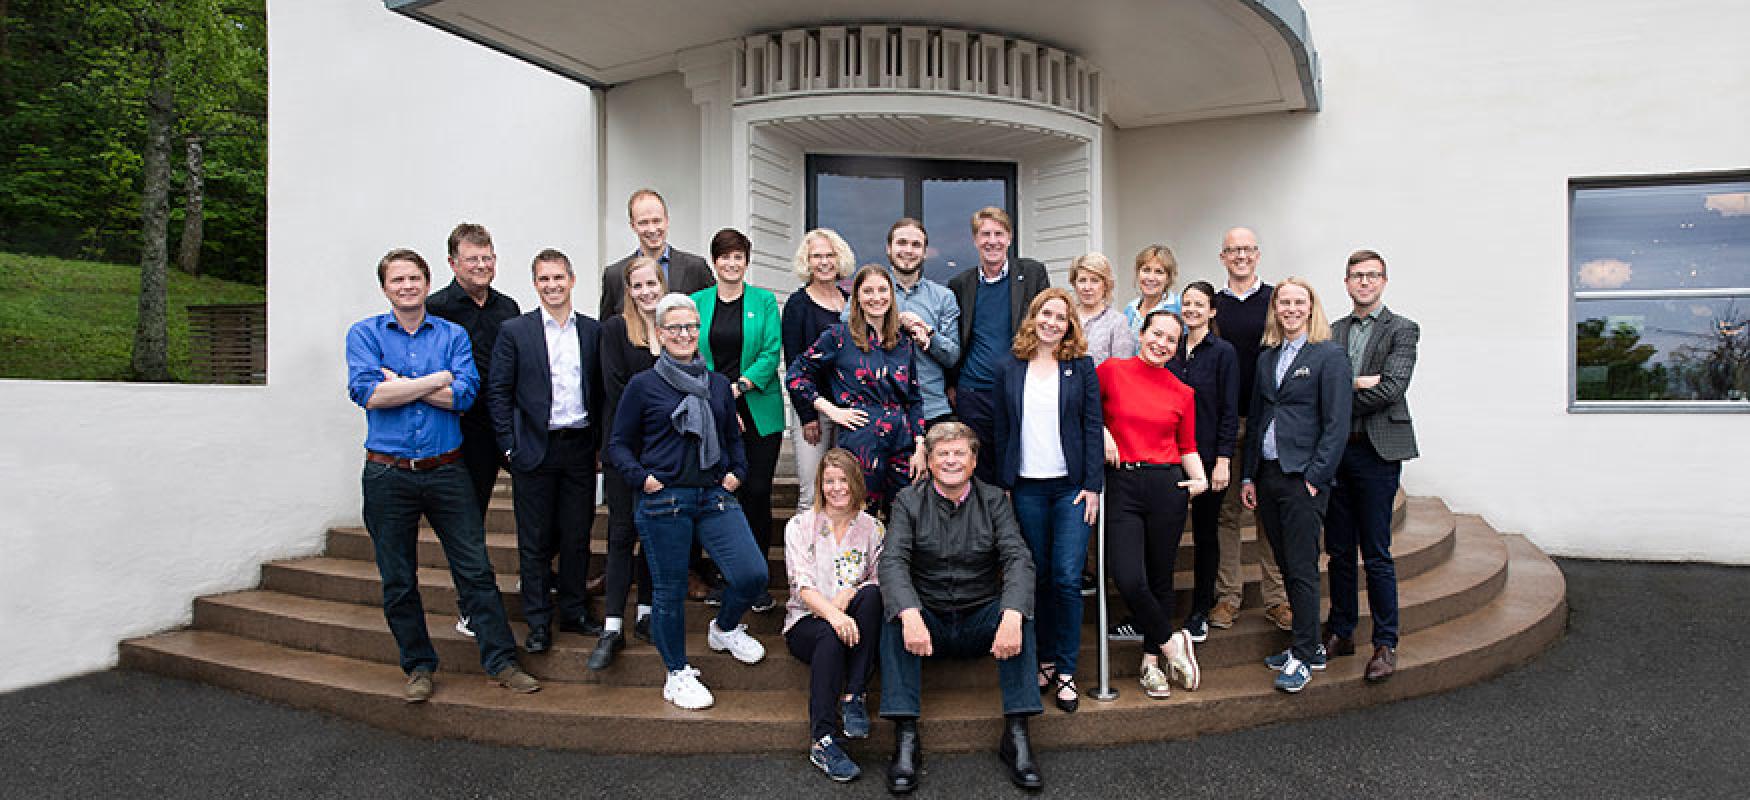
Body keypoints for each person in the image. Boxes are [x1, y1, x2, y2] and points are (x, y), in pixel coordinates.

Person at [345, 248, 538, 702]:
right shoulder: (365, 334)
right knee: (398, 578)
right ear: (385, 289)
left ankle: (501, 661)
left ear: (428, 284)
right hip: (387, 474)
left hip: (447, 469)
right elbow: (368, 393)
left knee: (474, 570)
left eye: (414, 278)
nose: (407, 286)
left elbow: (465, 395)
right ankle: (418, 666)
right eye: (398, 281)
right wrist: (436, 380)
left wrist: (402, 385)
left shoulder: (451, 334)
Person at [605, 293, 768, 710]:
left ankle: (725, 627)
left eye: (691, 327)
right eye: (675, 327)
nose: (684, 334)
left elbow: (734, 437)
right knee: (669, 590)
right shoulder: (644, 386)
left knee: (752, 575)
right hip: (666, 501)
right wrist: (643, 479)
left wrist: (738, 471)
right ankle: (676, 672)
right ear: (660, 334)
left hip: (714, 494)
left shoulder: (716, 384)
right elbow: (619, 445)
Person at [878, 422, 1042, 793]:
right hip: (929, 621)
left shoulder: (995, 500)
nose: (951, 461)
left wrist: (1012, 614)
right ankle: (906, 736)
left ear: (973, 461)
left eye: (959, 454)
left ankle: (1017, 733)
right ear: (931, 462)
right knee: (893, 615)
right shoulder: (908, 500)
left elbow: (1018, 558)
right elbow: (892, 562)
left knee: (1020, 611)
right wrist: (910, 614)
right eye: (943, 454)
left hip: (978, 617)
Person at [486, 249, 606, 656]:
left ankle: (573, 610)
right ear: (535, 284)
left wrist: (601, 446)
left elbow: (602, 391)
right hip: (533, 450)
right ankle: (537, 621)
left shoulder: (592, 332)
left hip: (579, 449)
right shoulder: (515, 331)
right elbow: (498, 392)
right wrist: (507, 445)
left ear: (572, 280)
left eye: (559, 278)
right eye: (544, 279)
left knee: (576, 536)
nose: (552, 286)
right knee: (534, 541)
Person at [990, 288, 1102, 713]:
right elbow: (1002, 429)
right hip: (1026, 488)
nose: (1052, 322)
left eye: (1061, 316)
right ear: (1033, 317)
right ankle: (1043, 660)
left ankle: (1068, 670)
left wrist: (1093, 485)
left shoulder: (1081, 367)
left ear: (1070, 323)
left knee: (1067, 577)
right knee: (1033, 578)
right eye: (1046, 314)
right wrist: (1004, 483)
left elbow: (1092, 427)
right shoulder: (1008, 366)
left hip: (1071, 488)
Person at [1240, 276, 1352, 694]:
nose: (1290, 308)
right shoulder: (1268, 358)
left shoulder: (1329, 355)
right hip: (1268, 476)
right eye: (1283, 302)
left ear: (1311, 307)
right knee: (1285, 564)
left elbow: (1337, 424)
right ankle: (1305, 645)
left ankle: (1306, 655)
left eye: (1297, 302)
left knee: (1303, 568)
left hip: (1303, 478)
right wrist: (1249, 474)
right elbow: (1257, 420)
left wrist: (1315, 477)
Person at [1097, 310, 1209, 699]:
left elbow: (1187, 445)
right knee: (1127, 576)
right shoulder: (1112, 370)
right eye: (1156, 334)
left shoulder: (1182, 391)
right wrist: (1103, 432)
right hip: (1122, 481)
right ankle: (1171, 643)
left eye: (1170, 340)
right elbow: (1085, 412)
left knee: (1161, 577)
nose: (1161, 344)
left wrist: (1200, 480)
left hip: (1166, 484)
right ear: (1141, 334)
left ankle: (1151, 665)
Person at [1325, 250, 1419, 683]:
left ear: (1384, 280)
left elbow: (1392, 388)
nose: (1364, 282)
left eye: (1372, 276)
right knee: (1339, 550)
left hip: (1377, 452)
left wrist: (1343, 394)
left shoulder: (1402, 329)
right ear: (1346, 283)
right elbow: (1328, 387)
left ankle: (1385, 642)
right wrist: (1358, 382)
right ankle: (1342, 631)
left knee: (1376, 551)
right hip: (1337, 451)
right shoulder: (1332, 331)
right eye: (1356, 276)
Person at [425, 223, 520, 639]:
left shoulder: (508, 308)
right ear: (453, 263)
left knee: (540, 506)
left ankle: (538, 582)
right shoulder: (436, 308)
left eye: (488, 258)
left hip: (506, 425)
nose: (482, 266)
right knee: (468, 522)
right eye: (472, 259)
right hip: (461, 430)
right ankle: (471, 605)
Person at [786, 265, 927, 517]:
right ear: (857, 298)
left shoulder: (903, 341)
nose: (876, 297)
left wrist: (919, 445)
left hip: (902, 441)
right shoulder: (838, 337)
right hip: (861, 437)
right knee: (860, 516)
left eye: (883, 290)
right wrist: (831, 410)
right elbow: (796, 376)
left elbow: (914, 397)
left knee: (905, 518)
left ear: (892, 295)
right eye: (868, 291)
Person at [693, 228, 785, 612]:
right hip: (712, 410)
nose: (732, 264)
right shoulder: (697, 301)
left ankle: (757, 580)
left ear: (747, 262)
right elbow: (689, 350)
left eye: (739, 257)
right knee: (718, 492)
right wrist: (720, 394)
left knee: (757, 491)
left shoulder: (764, 301)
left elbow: (771, 350)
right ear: (714, 262)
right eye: (725, 257)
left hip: (757, 408)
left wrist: (738, 388)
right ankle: (727, 575)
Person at [783, 448, 885, 783]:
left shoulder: (871, 528)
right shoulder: (800, 526)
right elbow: (802, 586)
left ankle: (854, 694)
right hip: (807, 623)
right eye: (829, 481)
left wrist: (850, 593)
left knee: (872, 595)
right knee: (828, 633)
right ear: (820, 485)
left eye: (843, 479)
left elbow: (879, 576)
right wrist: (834, 615)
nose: (837, 487)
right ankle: (822, 740)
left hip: (854, 619)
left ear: (856, 482)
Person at [1209, 227, 1289, 632]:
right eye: (1232, 250)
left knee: (1268, 513)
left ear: (1257, 255)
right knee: (1228, 515)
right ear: (1223, 257)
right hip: (1228, 423)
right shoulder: (1214, 305)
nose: (1240, 256)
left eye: (1246, 249)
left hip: (1268, 422)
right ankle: (1228, 598)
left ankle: (1277, 599)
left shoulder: (1277, 301)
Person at [590, 256, 664, 669]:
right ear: (628, 291)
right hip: (625, 451)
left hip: (666, 455)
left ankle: (647, 615)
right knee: (622, 534)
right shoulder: (615, 330)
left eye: (652, 283)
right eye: (638, 286)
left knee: (654, 534)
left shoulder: (675, 327)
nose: (646, 292)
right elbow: (619, 394)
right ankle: (612, 626)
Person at [947, 207, 1050, 484]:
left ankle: (1012, 525)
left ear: (1010, 238)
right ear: (975, 240)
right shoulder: (960, 284)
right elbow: (955, 336)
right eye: (985, 234)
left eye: (998, 234)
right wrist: (952, 383)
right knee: (977, 466)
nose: (992, 241)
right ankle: (982, 525)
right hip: (973, 391)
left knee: (1017, 460)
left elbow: (1046, 324)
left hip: (1018, 386)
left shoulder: (1031, 274)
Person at [1169, 280, 1240, 643]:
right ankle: (1159, 609)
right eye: (1187, 304)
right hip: (1170, 456)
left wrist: (1223, 460)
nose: (1192, 310)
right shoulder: (1171, 348)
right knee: (1164, 535)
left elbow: (1229, 411)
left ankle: (1200, 608)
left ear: (1212, 311)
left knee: (1206, 535)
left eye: (1199, 304)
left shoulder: (1223, 352)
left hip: (1208, 454)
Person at [860, 218, 960, 427]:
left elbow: (952, 356)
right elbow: (850, 330)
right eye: (902, 243)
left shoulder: (943, 297)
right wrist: (898, 321)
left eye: (916, 245)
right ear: (889, 248)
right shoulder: (869, 291)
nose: (908, 250)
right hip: (878, 409)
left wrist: (928, 334)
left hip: (930, 410)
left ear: (924, 252)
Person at [782, 228, 852, 511]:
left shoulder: (850, 301)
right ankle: (802, 556)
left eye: (829, 255)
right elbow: (793, 365)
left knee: (846, 491)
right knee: (812, 494)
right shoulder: (797, 305)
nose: (824, 262)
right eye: (817, 256)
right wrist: (807, 415)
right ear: (807, 262)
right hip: (814, 410)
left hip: (848, 409)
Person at [598, 188, 715, 319]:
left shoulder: (695, 268)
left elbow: (714, 316)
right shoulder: (614, 275)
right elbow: (606, 329)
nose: (652, 229)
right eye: (643, 223)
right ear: (632, 225)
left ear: (667, 220)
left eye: (656, 221)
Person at [1068, 252, 1135, 365]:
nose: (1087, 287)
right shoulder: (1065, 317)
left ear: (1106, 285)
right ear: (1074, 284)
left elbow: (1121, 369)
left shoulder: (1117, 322)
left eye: (1094, 280)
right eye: (1082, 280)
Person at [1121, 244, 1181, 331]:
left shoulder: (1179, 307)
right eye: (1146, 270)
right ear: (1138, 273)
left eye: (1159, 272)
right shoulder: (1130, 309)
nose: (1151, 278)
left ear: (1168, 278)